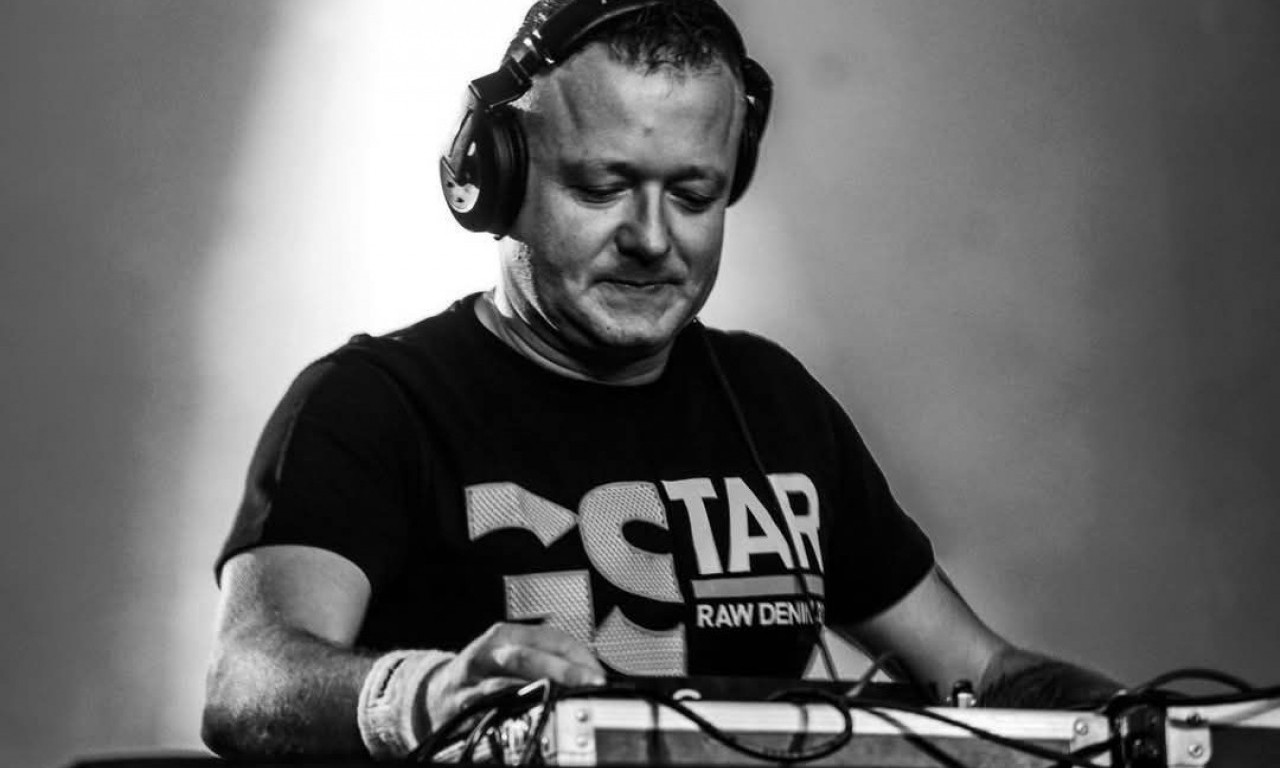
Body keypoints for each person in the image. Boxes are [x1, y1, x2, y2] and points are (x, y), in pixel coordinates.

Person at [201, 0, 1121, 759]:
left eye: (693, 195)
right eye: (602, 187)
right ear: (497, 179)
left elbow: (980, 673)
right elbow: (246, 684)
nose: (651, 238)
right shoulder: (372, 404)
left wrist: (1139, 726)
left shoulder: (773, 401)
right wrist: (429, 693)